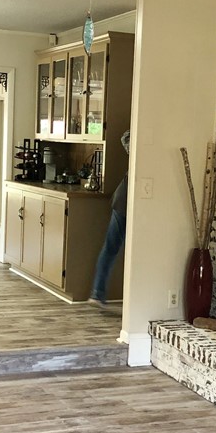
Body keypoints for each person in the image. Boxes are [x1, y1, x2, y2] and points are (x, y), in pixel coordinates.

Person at [89, 130, 130, 307]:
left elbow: (125, 136)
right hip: (124, 201)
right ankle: (98, 294)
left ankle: (97, 294)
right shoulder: (143, 143)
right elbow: (125, 136)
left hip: (124, 200)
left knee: (111, 247)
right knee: (112, 247)